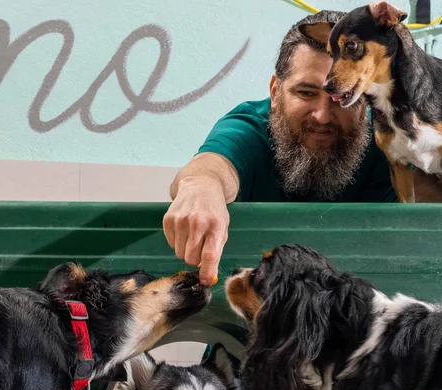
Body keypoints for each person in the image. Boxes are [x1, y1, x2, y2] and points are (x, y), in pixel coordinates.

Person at [163, 10, 397, 286]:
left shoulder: (391, 143)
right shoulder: (251, 126)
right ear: (275, 91)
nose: (322, 116)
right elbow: (213, 165)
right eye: (306, 93)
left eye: (343, 96)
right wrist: (201, 187)